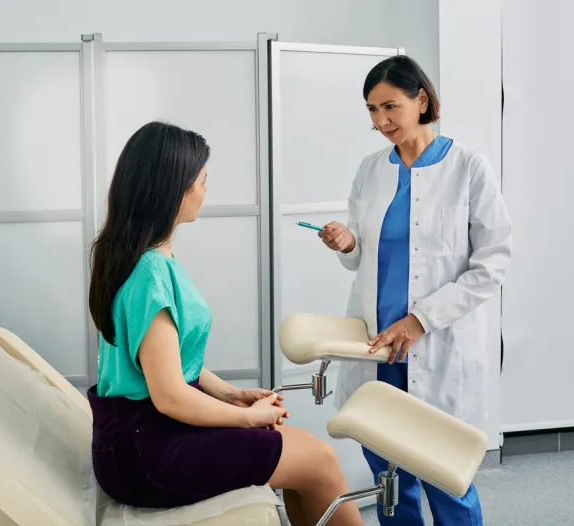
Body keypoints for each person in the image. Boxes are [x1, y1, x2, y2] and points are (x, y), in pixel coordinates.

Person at [87, 121, 364, 526]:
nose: (205, 190)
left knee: (303, 455)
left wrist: (230, 394)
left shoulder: (137, 256)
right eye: (202, 180)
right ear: (173, 190)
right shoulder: (150, 274)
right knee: (320, 460)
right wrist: (248, 418)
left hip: (139, 438)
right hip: (148, 451)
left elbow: (165, 361)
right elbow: (170, 397)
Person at [318, 56, 512, 526]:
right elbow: (361, 258)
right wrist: (347, 242)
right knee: (390, 483)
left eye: (390, 106)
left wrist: (422, 318)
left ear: (421, 100)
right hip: (378, 349)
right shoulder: (370, 169)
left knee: (447, 481)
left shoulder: (469, 168)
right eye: (371, 110)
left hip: (437, 346)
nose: (380, 121)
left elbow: (493, 261)